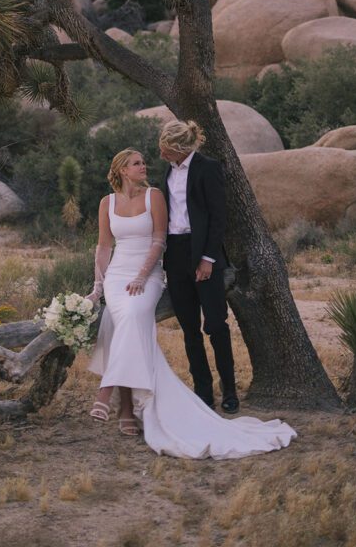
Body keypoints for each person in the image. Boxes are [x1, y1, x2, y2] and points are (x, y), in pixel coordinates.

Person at [87, 147, 297, 459]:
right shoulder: (107, 203)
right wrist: (97, 286)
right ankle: (126, 410)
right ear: (121, 170)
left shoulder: (154, 196)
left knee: (131, 315)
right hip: (118, 276)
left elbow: (160, 240)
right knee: (126, 322)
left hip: (148, 274)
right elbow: (104, 247)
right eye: (136, 163)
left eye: (144, 162)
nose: (144, 166)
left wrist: (144, 276)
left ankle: (108, 394)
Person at [159, 119, 237, 412]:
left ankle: (229, 391)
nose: (162, 153)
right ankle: (203, 392)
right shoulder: (166, 171)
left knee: (216, 325)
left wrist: (208, 258)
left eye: (165, 148)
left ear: (179, 147)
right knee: (189, 328)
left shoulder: (208, 168)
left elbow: (219, 218)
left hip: (204, 253)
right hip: (176, 255)